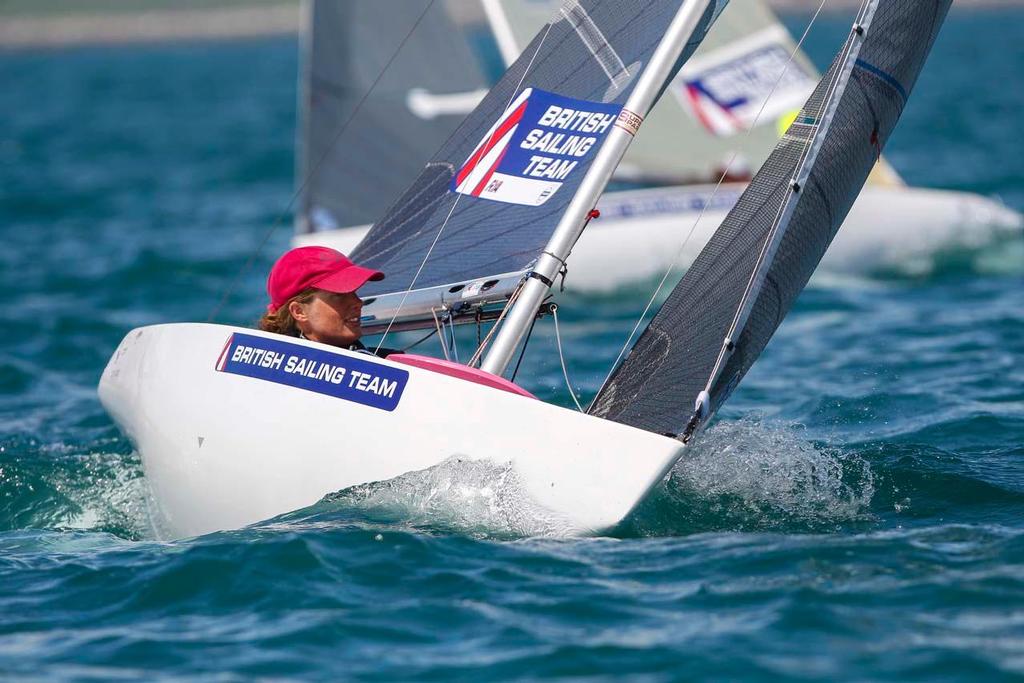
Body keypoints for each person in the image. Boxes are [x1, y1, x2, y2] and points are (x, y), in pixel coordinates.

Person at [258, 246, 387, 353]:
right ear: (299, 311)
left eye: (354, 291)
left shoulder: (389, 363)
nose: (358, 302)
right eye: (339, 295)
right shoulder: (270, 377)